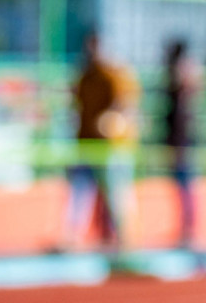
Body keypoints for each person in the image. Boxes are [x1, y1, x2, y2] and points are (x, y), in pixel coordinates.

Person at [64, 32, 138, 252]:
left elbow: (126, 106)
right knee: (80, 190)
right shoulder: (84, 75)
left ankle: (124, 239)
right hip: (87, 144)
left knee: (116, 192)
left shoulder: (115, 75)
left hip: (113, 147)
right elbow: (75, 105)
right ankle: (73, 236)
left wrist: (112, 120)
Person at [163, 40, 203, 249]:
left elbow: (192, 89)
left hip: (184, 139)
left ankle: (190, 230)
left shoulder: (186, 74)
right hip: (177, 138)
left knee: (187, 185)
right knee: (180, 186)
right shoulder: (177, 76)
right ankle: (186, 229)